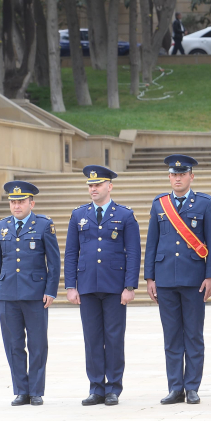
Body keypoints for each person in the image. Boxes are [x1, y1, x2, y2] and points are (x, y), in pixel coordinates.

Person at [144, 154, 211, 405]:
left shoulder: (205, 203)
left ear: (191, 176)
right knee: (172, 336)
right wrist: (149, 277)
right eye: (173, 174)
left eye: (182, 174)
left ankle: (192, 386)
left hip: (194, 278)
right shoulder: (159, 204)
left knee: (194, 335)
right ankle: (175, 386)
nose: (177, 178)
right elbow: (152, 243)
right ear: (169, 177)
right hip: (165, 279)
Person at [64, 166, 141, 406]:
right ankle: (96, 387)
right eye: (90, 185)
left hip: (115, 286)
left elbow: (134, 253)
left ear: (110, 186)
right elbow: (70, 253)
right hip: (87, 285)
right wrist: (70, 286)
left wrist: (130, 286)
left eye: (98, 185)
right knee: (92, 338)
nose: (93, 188)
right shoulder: (79, 215)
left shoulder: (125, 215)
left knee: (114, 337)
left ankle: (113, 388)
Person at [0, 181, 60, 406]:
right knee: (13, 344)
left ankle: (36, 390)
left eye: (21, 201)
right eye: (13, 202)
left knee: (38, 344)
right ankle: (21, 390)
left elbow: (54, 262)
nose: (16, 206)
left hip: (35, 294)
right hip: (7, 293)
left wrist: (51, 290)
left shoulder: (44, 225)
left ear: (32, 203)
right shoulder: (1, 227)